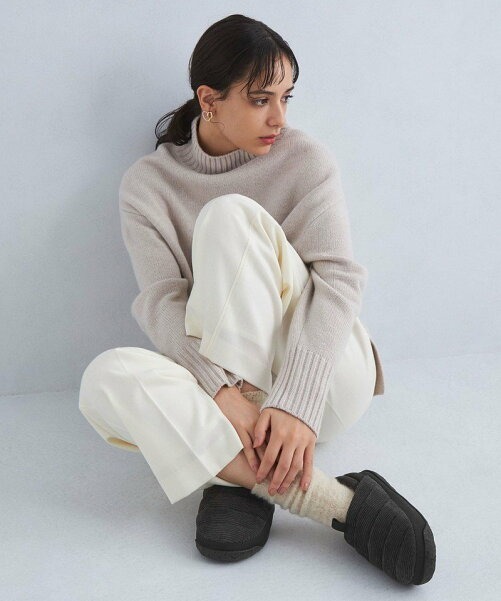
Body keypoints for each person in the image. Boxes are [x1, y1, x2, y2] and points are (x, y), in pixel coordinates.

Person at [79, 13, 435, 585]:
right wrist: (223, 393)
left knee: (228, 218)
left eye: (286, 98)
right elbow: (163, 304)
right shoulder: (147, 186)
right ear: (209, 100)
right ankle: (327, 501)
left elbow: (339, 280)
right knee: (104, 379)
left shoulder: (304, 160)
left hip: (324, 384)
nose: (279, 118)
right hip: (237, 409)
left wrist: (294, 401)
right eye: (261, 99)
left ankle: (231, 473)